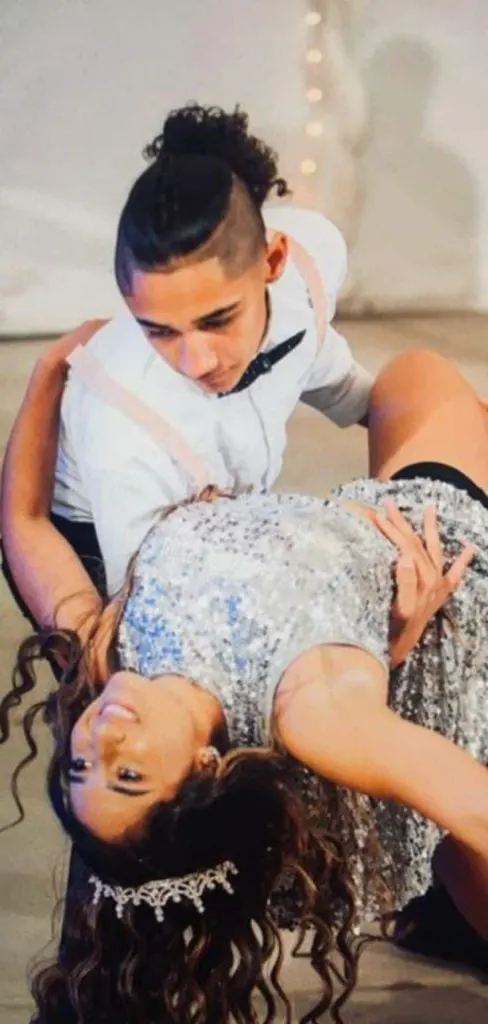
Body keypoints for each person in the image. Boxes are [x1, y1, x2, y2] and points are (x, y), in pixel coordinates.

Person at [2, 330, 488, 1023]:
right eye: (129, 774)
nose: (101, 740)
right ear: (203, 769)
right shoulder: (314, 715)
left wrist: (48, 373)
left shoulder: (109, 651)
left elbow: (25, 527)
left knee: (412, 380)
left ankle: (455, 906)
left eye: (81, 768)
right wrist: (386, 645)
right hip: (458, 562)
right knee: (429, 378)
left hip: (380, 508)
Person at [1, 103, 373, 614]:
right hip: (96, 547)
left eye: (218, 319)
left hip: (220, 508)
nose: (196, 363)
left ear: (273, 261)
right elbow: (148, 613)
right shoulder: (125, 434)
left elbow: (338, 380)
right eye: (158, 330)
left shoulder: (307, 274)